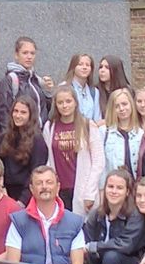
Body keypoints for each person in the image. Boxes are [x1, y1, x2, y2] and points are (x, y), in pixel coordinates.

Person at [4, 165, 109, 264]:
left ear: (58, 187)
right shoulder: (19, 221)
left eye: (49, 182)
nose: (44, 187)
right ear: (32, 189)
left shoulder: (74, 222)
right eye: (39, 183)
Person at [83, 168, 145, 264]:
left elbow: (126, 245)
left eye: (119, 188)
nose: (114, 191)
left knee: (112, 256)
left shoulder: (135, 215)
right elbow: (86, 242)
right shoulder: (96, 215)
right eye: (110, 187)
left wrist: (96, 247)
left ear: (127, 192)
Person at [43, 83, 104, 214]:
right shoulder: (50, 127)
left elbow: (98, 161)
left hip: (82, 189)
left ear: (75, 102)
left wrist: (90, 192)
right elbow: (48, 159)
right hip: (59, 189)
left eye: (68, 101)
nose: (64, 106)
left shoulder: (88, 125)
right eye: (60, 102)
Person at [0, 96, 49, 205]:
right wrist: (2, 188)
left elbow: (35, 173)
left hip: (27, 196)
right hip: (5, 193)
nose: (18, 115)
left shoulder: (37, 141)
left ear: (31, 115)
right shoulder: (4, 136)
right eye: (15, 111)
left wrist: (22, 201)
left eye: (23, 112)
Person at [0, 37, 54, 129]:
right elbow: (4, 116)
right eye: (25, 53)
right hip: (20, 137)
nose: (29, 57)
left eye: (32, 53)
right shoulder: (9, 80)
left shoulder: (36, 79)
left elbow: (43, 110)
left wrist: (48, 92)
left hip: (39, 136)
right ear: (16, 55)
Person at [99, 88, 143, 180]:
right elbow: (100, 166)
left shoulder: (140, 133)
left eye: (124, 104)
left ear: (131, 104)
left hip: (135, 186)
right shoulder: (104, 132)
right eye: (117, 106)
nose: (121, 109)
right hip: (114, 187)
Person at [65, 53, 102, 122]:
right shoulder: (64, 87)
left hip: (90, 130)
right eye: (80, 64)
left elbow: (97, 118)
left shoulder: (94, 92)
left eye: (87, 65)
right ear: (73, 67)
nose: (84, 67)